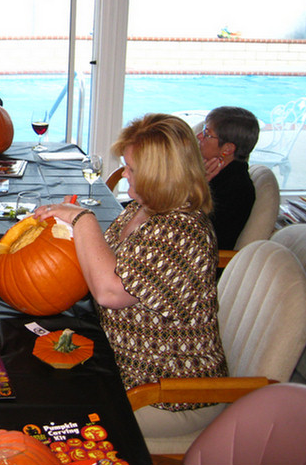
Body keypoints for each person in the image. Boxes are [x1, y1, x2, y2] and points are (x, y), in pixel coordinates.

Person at [36, 114, 227, 420]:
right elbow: (106, 260)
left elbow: (111, 291)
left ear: (160, 174)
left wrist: (82, 220)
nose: (124, 174)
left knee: (48, 404)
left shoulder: (181, 232)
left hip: (165, 390)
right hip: (121, 363)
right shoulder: (145, 208)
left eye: (132, 168)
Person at [197, 106, 260, 250]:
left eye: (207, 133)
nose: (199, 136)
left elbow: (199, 235)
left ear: (227, 149)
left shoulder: (236, 189)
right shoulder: (214, 174)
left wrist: (198, 187)